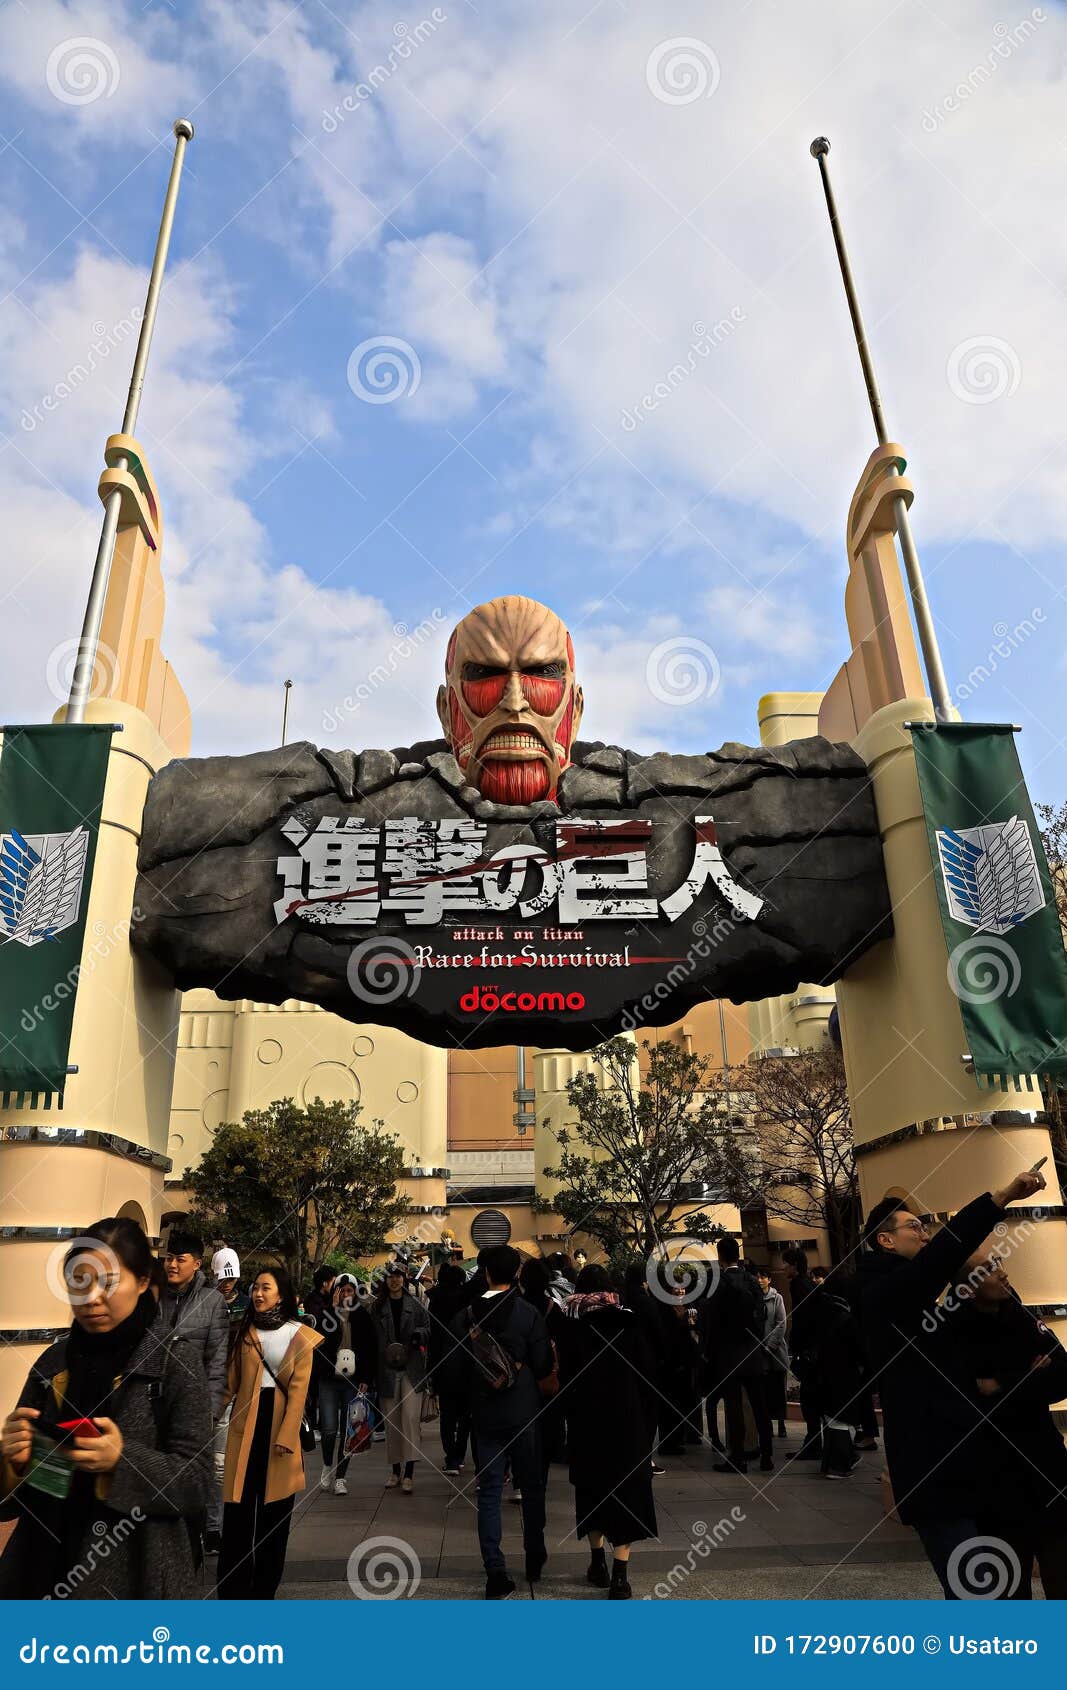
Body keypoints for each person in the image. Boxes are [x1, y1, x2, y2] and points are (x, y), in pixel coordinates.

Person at [856, 1168, 1045, 1598]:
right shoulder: (883, 1293)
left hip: (963, 1474)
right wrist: (999, 1198)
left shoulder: (916, 1299)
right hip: (935, 1479)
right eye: (914, 1228)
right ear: (885, 1240)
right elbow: (942, 1256)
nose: (923, 1236)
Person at [0, 1217, 212, 1599]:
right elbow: (23, 1490)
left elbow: (197, 1483)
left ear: (144, 1281)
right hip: (38, 1570)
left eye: (108, 1282)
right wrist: (14, 1463)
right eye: (79, 1281)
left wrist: (122, 1460)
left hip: (134, 1577)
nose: (92, 1297)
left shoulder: (173, 1361)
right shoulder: (53, 1363)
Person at [946, 1244, 1067, 1598]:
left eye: (999, 1263)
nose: (1003, 1272)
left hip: (1049, 1470)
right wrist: (1028, 1376)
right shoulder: (953, 1332)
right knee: (1009, 1590)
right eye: (989, 1268)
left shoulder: (1019, 1314)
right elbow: (971, 1397)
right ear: (967, 1288)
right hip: (995, 1481)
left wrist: (1001, 1382)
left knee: (1061, 1570)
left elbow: (1062, 1374)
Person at [447, 1243, 553, 1598]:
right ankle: (534, 1555)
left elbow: (455, 1369)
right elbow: (541, 1365)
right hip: (524, 1410)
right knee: (532, 1485)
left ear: (487, 1274)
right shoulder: (529, 1314)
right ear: (517, 1273)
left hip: (485, 1414)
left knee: (490, 1492)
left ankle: (495, 1568)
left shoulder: (466, 1316)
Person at [217, 1265, 321, 1600]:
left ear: (282, 1294)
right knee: (237, 1518)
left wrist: (287, 1436)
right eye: (256, 1288)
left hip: (279, 1434)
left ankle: (263, 1593)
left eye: (266, 1287)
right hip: (243, 1431)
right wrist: (207, 1415)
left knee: (273, 1522)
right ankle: (233, 1594)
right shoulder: (243, 1331)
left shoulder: (298, 1334)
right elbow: (229, 1383)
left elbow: (300, 1392)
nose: (258, 1294)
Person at [558, 1264, 658, 1599]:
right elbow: (647, 1374)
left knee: (591, 1489)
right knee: (627, 1493)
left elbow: (566, 1381)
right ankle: (620, 1576)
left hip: (588, 1423)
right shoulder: (628, 1322)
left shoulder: (573, 1327)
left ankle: (596, 1562)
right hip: (627, 1422)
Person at [702, 1238, 773, 1474]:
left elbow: (711, 1321)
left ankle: (738, 1457)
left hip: (729, 1353)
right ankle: (767, 1455)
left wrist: (708, 1351)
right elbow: (761, 1314)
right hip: (752, 1350)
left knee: (734, 1407)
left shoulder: (718, 1284)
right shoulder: (752, 1281)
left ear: (720, 1256)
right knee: (759, 1405)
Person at [370, 1263, 430, 1492]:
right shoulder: (377, 1307)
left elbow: (428, 1328)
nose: (394, 1280)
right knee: (392, 1421)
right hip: (386, 1369)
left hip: (411, 1368)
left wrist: (418, 1336)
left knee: (410, 1419)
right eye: (390, 1277)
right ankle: (395, 1470)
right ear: (385, 1280)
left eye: (398, 1276)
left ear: (404, 1279)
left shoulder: (415, 1305)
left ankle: (410, 1473)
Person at [317, 1278, 376, 1496]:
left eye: (349, 1291)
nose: (345, 1295)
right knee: (329, 1429)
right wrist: (333, 1310)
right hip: (329, 1380)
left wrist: (367, 1379)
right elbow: (322, 1343)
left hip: (353, 1380)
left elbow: (370, 1349)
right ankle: (326, 1465)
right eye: (341, 1291)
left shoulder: (362, 1316)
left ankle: (341, 1477)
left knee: (348, 1432)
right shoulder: (325, 1315)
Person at [427, 1262, 473, 1475]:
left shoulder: (435, 1302)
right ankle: (460, 1455)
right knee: (465, 1415)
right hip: (467, 1364)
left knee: (447, 1415)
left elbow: (432, 1340)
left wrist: (431, 1371)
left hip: (443, 1364)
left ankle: (451, 1458)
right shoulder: (468, 1301)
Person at [783, 1246, 821, 1459]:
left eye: (786, 1263)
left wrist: (797, 1346)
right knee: (812, 1398)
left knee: (809, 1399)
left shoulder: (798, 1285)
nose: (783, 1267)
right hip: (813, 1348)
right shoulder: (807, 1283)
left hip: (807, 1350)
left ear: (794, 1265)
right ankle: (814, 1442)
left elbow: (802, 1319)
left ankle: (813, 1444)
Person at [756, 1267, 789, 1439]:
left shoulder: (777, 1298)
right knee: (764, 1390)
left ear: (769, 1279)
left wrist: (770, 1345)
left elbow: (781, 1323)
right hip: (759, 1352)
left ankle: (782, 1423)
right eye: (758, 1277)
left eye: (763, 1277)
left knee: (778, 1389)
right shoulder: (754, 1298)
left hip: (775, 1351)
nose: (760, 1280)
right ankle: (767, 1424)